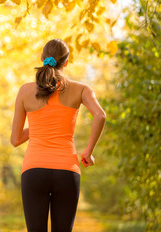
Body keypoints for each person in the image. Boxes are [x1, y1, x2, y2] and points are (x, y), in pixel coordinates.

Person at [10, 38, 106, 232]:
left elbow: (15, 139)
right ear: (67, 62)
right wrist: (88, 152)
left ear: (42, 58)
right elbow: (100, 115)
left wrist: (39, 128)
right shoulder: (80, 89)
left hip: (34, 170)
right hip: (67, 171)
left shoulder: (25, 91)